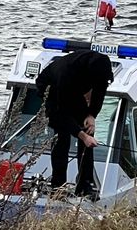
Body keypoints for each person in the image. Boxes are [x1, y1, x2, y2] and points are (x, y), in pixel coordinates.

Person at [34, 49, 115, 198]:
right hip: (52, 89)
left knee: (88, 129)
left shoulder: (101, 66)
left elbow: (100, 90)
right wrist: (82, 136)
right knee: (62, 136)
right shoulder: (65, 75)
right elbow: (62, 115)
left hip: (75, 90)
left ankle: (85, 185)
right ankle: (58, 187)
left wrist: (91, 114)